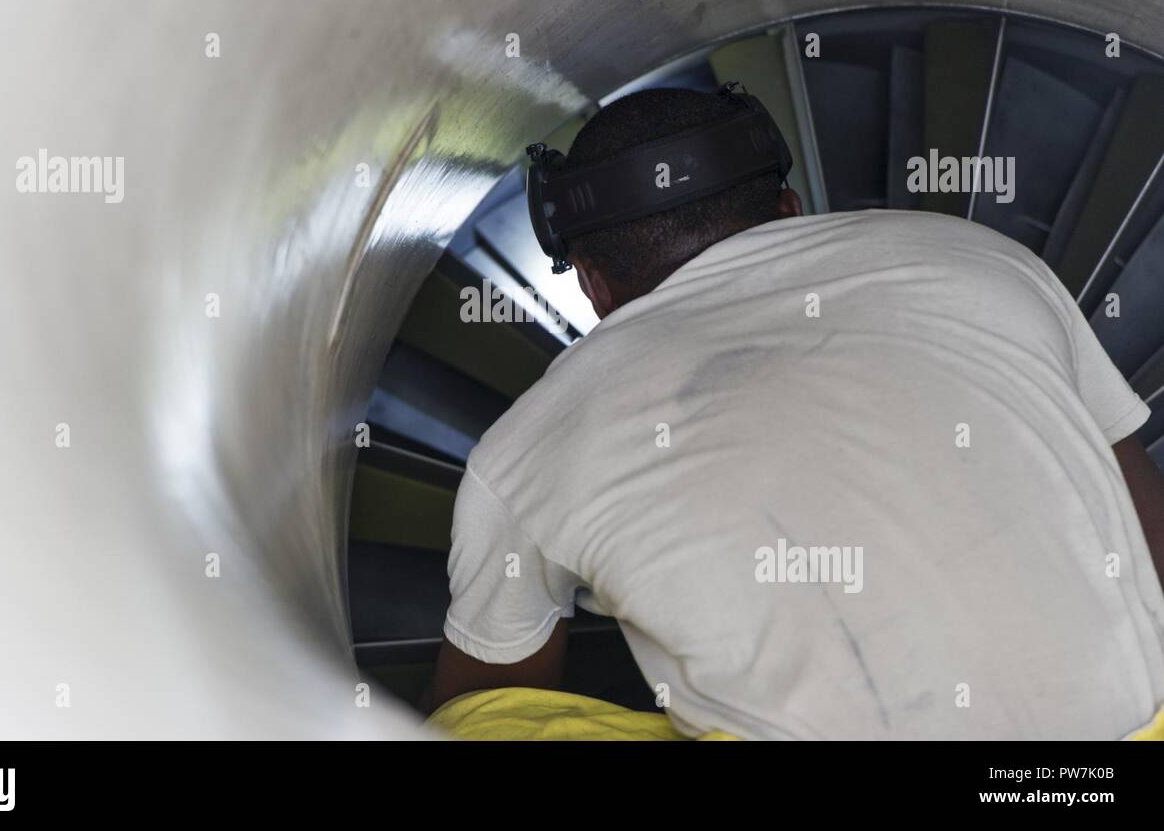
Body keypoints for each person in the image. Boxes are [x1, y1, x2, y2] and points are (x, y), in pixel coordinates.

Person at [422, 86, 1164, 739]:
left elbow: (485, 702)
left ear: (594, 288)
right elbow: (1138, 510)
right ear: (790, 210)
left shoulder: (530, 446)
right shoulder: (987, 260)